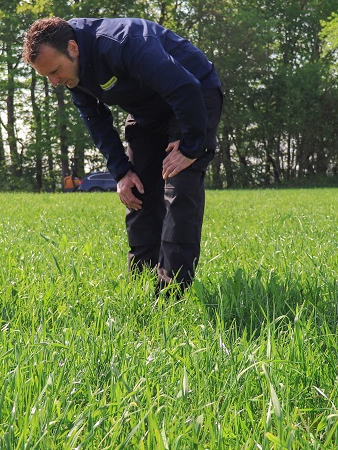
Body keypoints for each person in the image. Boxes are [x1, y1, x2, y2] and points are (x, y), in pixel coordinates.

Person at [23, 17, 223, 296]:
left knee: (178, 190)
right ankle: (141, 283)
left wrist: (191, 147)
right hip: (147, 111)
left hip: (194, 96)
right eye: (47, 77)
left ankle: (172, 295)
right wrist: (121, 172)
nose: (55, 82)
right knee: (136, 190)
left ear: (73, 48)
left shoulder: (122, 44)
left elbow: (185, 87)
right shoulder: (73, 74)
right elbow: (95, 119)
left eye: (55, 71)